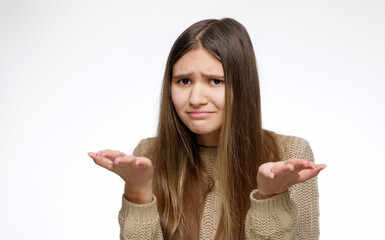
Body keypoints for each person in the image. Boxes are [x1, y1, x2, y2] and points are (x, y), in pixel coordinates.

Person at [88, 18, 326, 240]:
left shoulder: (289, 154)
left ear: (242, 85)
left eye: (215, 81)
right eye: (183, 81)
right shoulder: (148, 154)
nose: (196, 98)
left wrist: (271, 197)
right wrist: (138, 192)